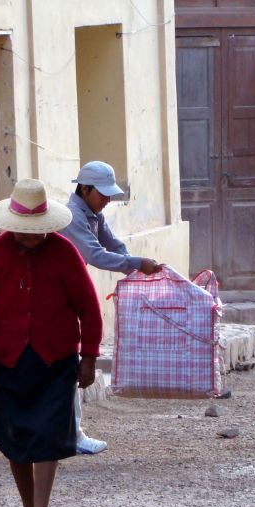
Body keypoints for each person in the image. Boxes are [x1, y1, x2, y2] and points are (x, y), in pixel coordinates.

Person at [0, 178, 103, 507]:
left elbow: (89, 308)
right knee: (15, 440)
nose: (29, 238)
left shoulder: (65, 254)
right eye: (23, 232)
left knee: (47, 437)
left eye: (35, 233)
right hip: (7, 361)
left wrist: (88, 357)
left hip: (55, 361)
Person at [60, 160, 163, 454]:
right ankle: (74, 435)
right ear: (84, 188)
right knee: (65, 361)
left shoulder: (92, 214)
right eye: (102, 194)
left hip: (66, 292)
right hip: (58, 294)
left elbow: (113, 245)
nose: (107, 200)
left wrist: (135, 267)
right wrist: (135, 265)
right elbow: (95, 255)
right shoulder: (72, 217)